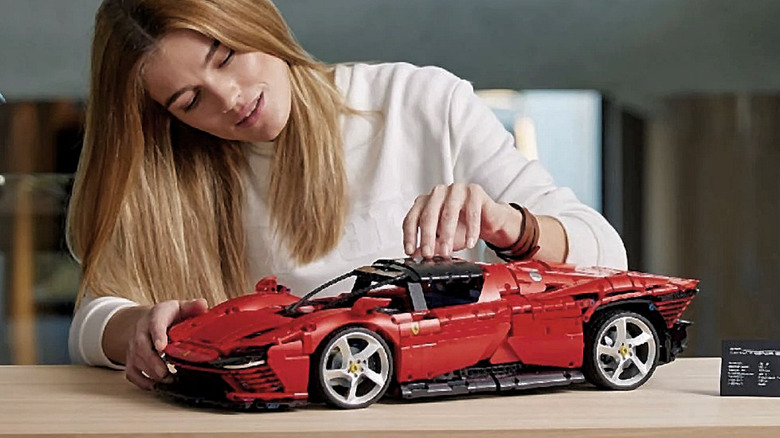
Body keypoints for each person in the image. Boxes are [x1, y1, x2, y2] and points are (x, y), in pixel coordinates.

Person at [67, 0, 627, 391]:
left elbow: (609, 256)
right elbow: (94, 320)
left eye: (227, 55)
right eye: (191, 101)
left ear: (255, 20)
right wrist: (136, 328)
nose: (231, 99)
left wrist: (511, 226)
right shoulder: (176, 175)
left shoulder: (420, 103)